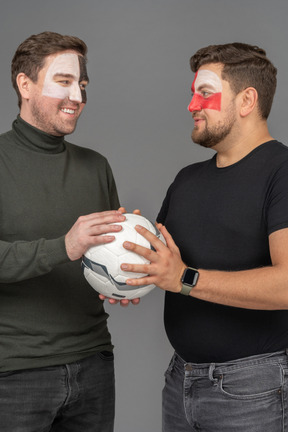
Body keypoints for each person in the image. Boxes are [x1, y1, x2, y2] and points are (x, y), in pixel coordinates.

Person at [119, 43, 288, 431]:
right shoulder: (186, 179)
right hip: (180, 380)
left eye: (205, 93)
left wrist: (185, 279)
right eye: (193, 94)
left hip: (253, 391)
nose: (192, 105)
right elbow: (162, 262)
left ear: (247, 100)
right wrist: (120, 269)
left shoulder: (281, 172)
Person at [0, 31, 135, 432]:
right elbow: (70, 248)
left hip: (93, 363)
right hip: (15, 373)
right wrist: (65, 245)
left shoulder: (96, 166)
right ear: (25, 84)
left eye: (82, 84)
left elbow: (99, 254)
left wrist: (123, 276)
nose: (77, 96)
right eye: (64, 81)